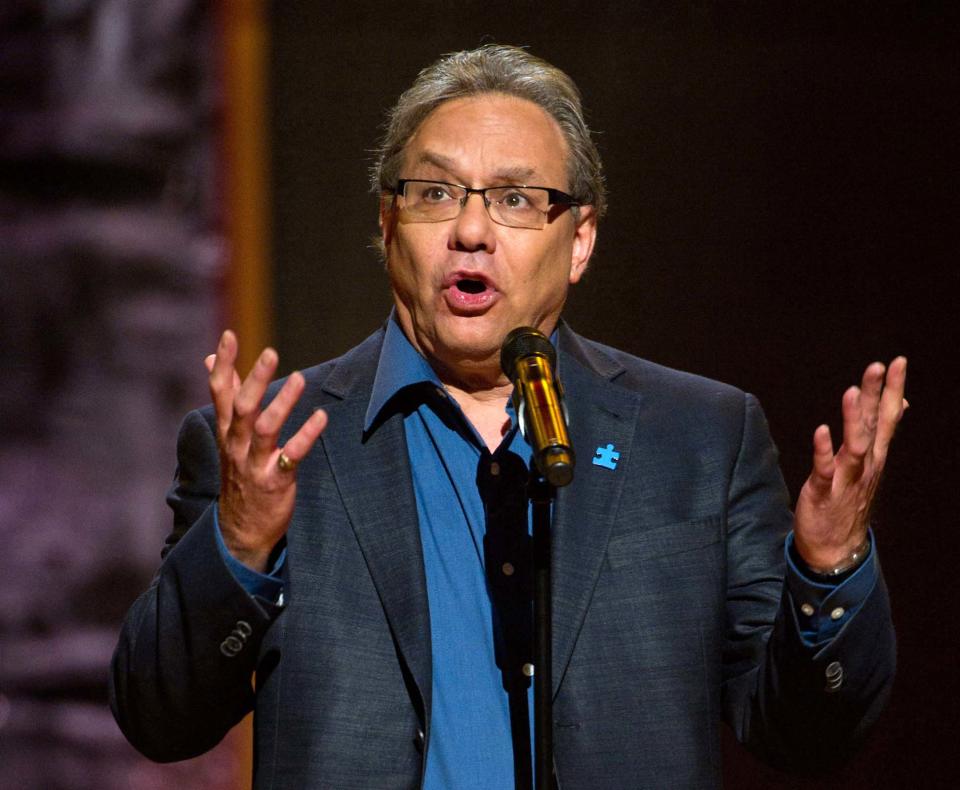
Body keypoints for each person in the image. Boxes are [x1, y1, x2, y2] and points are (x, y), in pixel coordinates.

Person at [110, 45, 907, 789]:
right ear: (387, 225)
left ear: (581, 240)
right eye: (434, 193)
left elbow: (806, 736)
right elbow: (161, 719)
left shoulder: (699, 439)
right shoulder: (276, 451)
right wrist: (243, 542)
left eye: (517, 199)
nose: (470, 232)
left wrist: (828, 568)